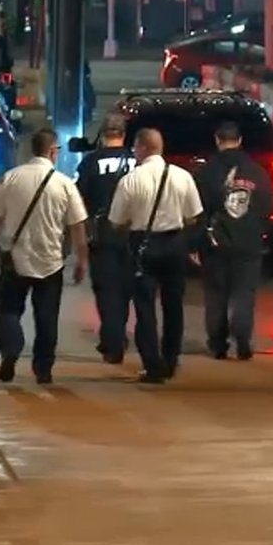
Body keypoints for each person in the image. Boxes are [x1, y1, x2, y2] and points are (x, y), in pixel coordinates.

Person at [0, 128, 88, 385]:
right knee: (47, 317)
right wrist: (82, 260)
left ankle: (10, 351)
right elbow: (77, 227)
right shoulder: (64, 185)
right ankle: (43, 369)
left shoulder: (11, 178)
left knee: (9, 310)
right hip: (50, 262)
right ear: (53, 151)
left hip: (14, 259)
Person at [107, 128, 203, 383]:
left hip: (142, 245)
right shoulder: (182, 177)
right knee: (173, 306)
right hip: (174, 244)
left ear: (142, 148)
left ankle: (152, 365)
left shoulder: (130, 180)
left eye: (136, 148)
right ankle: (170, 360)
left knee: (144, 307)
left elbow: (116, 222)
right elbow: (193, 216)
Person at [195, 121, 273, 361]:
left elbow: (198, 210)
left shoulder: (207, 172)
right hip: (248, 242)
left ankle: (218, 344)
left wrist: (196, 242)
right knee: (244, 294)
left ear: (218, 140)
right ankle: (242, 338)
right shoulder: (257, 172)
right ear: (240, 141)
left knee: (216, 294)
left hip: (216, 243)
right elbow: (267, 205)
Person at [75, 113, 136, 363]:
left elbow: (80, 199)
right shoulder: (136, 161)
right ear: (124, 133)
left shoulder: (91, 162)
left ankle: (113, 342)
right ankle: (117, 335)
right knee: (124, 289)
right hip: (133, 234)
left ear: (103, 133)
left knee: (106, 290)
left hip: (103, 234)